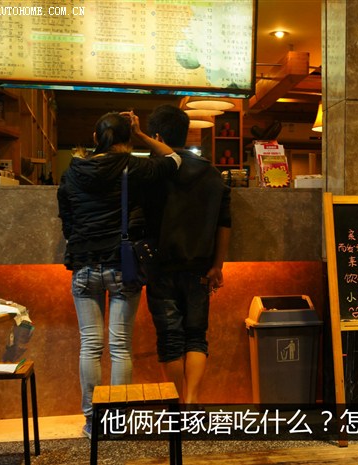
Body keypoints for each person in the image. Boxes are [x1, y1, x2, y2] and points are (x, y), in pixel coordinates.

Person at [57, 111, 180, 438]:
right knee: (120, 346)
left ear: (95, 139)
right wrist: (141, 135)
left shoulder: (73, 171)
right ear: (127, 139)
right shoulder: (134, 167)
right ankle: (117, 421)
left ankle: (93, 422)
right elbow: (173, 160)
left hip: (84, 265)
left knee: (90, 346)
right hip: (122, 265)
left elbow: (66, 218)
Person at [129, 105, 232, 404]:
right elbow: (224, 223)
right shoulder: (213, 174)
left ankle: (176, 407)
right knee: (196, 335)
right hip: (200, 267)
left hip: (161, 267)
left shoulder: (153, 172)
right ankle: (192, 401)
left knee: (170, 338)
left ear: (157, 136)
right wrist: (217, 266)